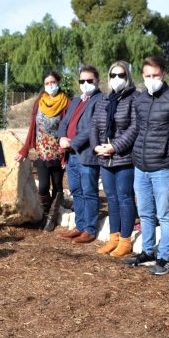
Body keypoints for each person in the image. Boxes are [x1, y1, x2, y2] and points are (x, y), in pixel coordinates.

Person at [122, 56, 169, 276]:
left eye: (155, 75)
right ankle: (147, 251)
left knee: (165, 214)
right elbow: (138, 129)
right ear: (142, 76)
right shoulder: (140, 100)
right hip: (140, 166)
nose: (151, 79)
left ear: (164, 75)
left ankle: (164, 257)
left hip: (162, 167)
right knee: (144, 212)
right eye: (147, 76)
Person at [89, 61, 139, 257]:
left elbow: (134, 128)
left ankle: (126, 240)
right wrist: (96, 147)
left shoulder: (135, 98)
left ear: (128, 77)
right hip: (104, 157)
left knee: (125, 197)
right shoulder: (104, 99)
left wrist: (115, 146)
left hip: (124, 157)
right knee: (111, 198)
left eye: (121, 75)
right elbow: (94, 125)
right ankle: (114, 237)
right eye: (113, 75)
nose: (116, 79)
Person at [14, 71, 69, 232]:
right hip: (42, 151)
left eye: (53, 82)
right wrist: (25, 150)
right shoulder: (39, 102)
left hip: (59, 151)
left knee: (57, 185)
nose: (50, 86)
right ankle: (45, 214)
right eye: (47, 83)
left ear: (58, 82)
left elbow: (69, 129)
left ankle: (52, 218)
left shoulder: (66, 103)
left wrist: (67, 152)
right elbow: (33, 127)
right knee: (43, 185)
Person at [56, 65, 104, 243]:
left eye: (89, 80)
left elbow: (93, 126)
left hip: (85, 153)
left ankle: (90, 229)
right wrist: (61, 137)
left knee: (89, 191)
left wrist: (72, 142)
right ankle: (80, 225)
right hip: (71, 155)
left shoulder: (100, 100)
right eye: (82, 81)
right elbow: (64, 122)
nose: (85, 84)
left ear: (97, 81)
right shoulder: (76, 100)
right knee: (76, 190)